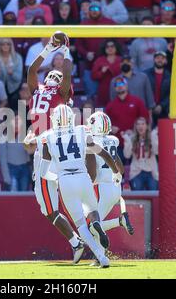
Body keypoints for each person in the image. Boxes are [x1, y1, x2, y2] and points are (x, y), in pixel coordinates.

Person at [24, 33, 83, 263]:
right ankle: (78, 242)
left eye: (57, 76)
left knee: (56, 204)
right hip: (43, 148)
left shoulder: (61, 92)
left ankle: (87, 235)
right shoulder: (37, 90)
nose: (54, 75)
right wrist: (49, 48)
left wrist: (66, 51)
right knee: (47, 207)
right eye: (52, 73)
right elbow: (31, 71)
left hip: (54, 149)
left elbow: (67, 75)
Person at [40, 104, 122, 268]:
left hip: (65, 180)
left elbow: (43, 172)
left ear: (54, 119)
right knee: (93, 213)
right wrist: (115, 172)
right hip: (83, 177)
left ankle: (101, 257)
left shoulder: (47, 136)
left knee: (80, 225)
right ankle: (97, 224)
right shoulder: (81, 131)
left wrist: (56, 179)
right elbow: (102, 152)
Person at [86, 111, 134, 238]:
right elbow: (121, 169)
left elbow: (93, 174)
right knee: (97, 226)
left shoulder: (91, 142)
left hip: (102, 187)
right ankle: (100, 256)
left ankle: (119, 221)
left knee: (92, 227)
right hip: (116, 188)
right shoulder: (113, 141)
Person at [75, 1, 116, 99]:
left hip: (108, 67)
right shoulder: (84, 24)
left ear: (101, 10)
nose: (94, 11)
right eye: (92, 9)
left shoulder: (109, 23)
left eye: (96, 9)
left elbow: (119, 41)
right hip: (90, 66)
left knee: (110, 96)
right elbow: (78, 44)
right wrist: (86, 53)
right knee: (92, 97)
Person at [105, 77, 149, 163]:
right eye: (117, 85)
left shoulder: (137, 102)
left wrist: (135, 130)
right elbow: (106, 125)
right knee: (119, 173)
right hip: (118, 145)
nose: (120, 86)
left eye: (122, 84)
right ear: (114, 88)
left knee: (135, 170)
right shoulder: (110, 106)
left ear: (126, 86)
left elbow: (146, 119)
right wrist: (110, 129)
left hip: (136, 143)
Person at [123, 117, 159, 190]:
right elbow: (127, 155)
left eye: (143, 124)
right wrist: (127, 141)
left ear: (146, 126)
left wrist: (154, 136)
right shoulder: (132, 138)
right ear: (135, 127)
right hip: (136, 172)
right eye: (138, 124)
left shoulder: (152, 137)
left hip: (151, 172)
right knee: (137, 197)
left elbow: (156, 151)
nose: (140, 126)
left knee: (153, 195)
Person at [0, 115, 31, 191]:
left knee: (24, 195)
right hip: (11, 169)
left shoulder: (27, 136)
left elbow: (30, 153)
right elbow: (2, 158)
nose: (16, 123)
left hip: (24, 169)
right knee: (13, 195)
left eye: (19, 121)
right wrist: (6, 176)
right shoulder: (4, 137)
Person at [0, 38, 24, 111]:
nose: (5, 46)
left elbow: (18, 78)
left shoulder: (17, 58)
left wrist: (12, 73)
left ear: (11, 45)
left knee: (14, 108)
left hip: (15, 88)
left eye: (8, 44)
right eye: (3, 44)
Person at [91, 39, 122, 107]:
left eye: (112, 46)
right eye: (107, 47)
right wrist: (102, 72)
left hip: (119, 89)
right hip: (104, 91)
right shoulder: (100, 60)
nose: (110, 48)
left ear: (116, 47)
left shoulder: (121, 60)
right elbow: (93, 76)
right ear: (104, 48)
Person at [144, 51, 171, 124]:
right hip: (148, 109)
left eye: (162, 58)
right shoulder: (146, 74)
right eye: (158, 58)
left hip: (164, 110)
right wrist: (151, 105)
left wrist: (161, 105)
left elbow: (171, 94)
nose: (160, 60)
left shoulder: (170, 76)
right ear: (154, 60)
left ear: (165, 60)